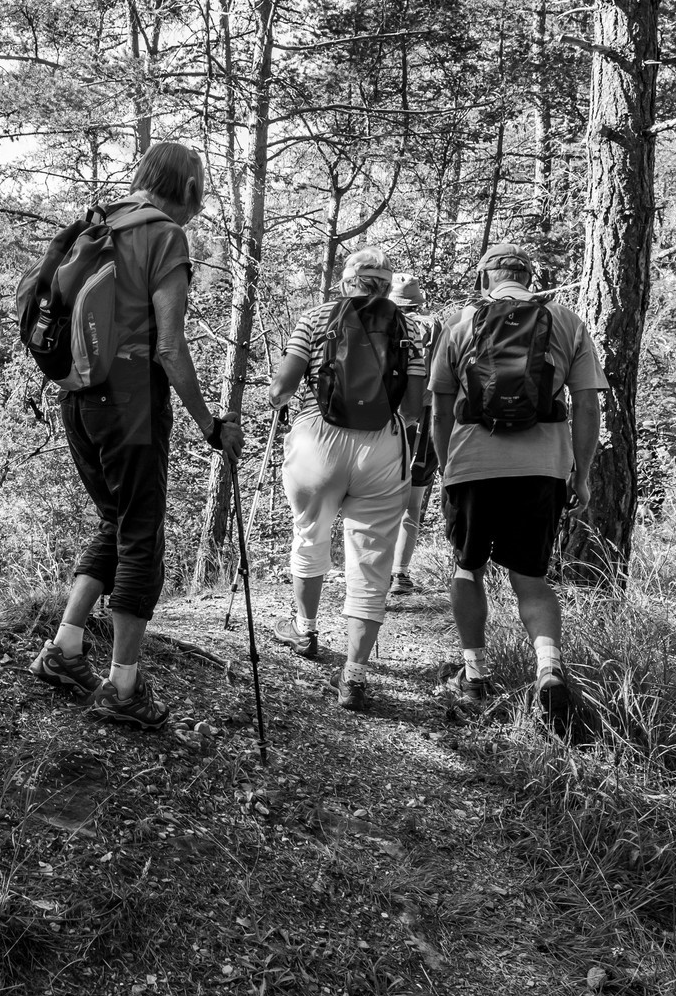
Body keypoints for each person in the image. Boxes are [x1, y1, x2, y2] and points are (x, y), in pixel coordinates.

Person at [28, 142, 243, 729]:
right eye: (201, 188)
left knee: (116, 519)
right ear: (188, 188)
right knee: (140, 533)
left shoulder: (99, 222)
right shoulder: (165, 235)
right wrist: (209, 424)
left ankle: (64, 649)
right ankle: (123, 686)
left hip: (78, 396)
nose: (201, 201)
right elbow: (169, 346)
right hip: (130, 404)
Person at [430, 243, 603, 725]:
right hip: (543, 467)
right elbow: (588, 405)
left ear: (485, 278)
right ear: (529, 277)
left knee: (468, 569)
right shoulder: (566, 321)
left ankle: (475, 675)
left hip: (473, 464)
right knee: (531, 579)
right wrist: (581, 474)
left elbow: (440, 410)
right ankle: (548, 668)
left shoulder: (460, 323)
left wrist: (447, 470)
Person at [267, 250, 425, 712]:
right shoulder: (409, 328)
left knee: (310, 534)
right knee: (372, 560)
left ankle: (305, 630)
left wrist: (279, 399)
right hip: (382, 445)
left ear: (346, 282)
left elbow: (281, 389)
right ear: (387, 286)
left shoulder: (316, 317)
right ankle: (354, 674)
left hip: (317, 439)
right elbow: (413, 408)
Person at [386, 273, 444, 598]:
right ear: (418, 302)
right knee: (413, 502)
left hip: (384, 421)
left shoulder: (380, 324)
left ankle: (372, 571)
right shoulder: (435, 327)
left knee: (376, 498)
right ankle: (400, 573)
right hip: (425, 422)